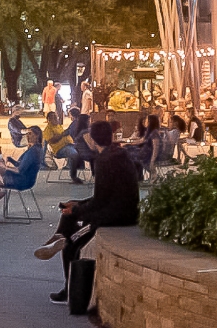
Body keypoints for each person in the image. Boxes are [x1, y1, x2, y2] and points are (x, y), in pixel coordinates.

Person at [34, 120, 140, 304]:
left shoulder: (105, 161)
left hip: (115, 215)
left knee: (71, 244)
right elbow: (106, 196)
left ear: (92, 139)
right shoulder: (120, 154)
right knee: (70, 212)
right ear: (111, 135)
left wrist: (78, 207)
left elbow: (101, 201)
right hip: (121, 209)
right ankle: (59, 236)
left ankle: (69, 289)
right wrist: (78, 205)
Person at [0, 125, 44, 221]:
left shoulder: (33, 151)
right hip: (26, 178)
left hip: (22, 181)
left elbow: (20, 170)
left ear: (37, 135)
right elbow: (21, 165)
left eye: (30, 134)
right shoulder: (36, 149)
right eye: (27, 133)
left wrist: (5, 168)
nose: (27, 136)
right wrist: (11, 160)